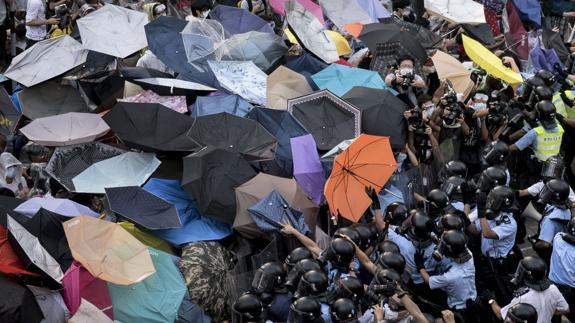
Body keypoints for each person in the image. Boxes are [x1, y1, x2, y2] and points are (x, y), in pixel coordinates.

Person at [415, 230, 479, 323]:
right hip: (474, 304)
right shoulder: (469, 255)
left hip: (458, 312)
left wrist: (420, 266)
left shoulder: (449, 276)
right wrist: (442, 242)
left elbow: (428, 281)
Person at [468, 185, 517, 304]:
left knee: (503, 295)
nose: (490, 202)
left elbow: (487, 233)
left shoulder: (510, 223)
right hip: (485, 261)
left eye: (494, 200)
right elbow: (475, 230)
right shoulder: (489, 215)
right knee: (484, 292)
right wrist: (464, 220)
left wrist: (481, 213)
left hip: (499, 265)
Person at [489, 256, 569, 323]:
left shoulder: (522, 298)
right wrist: (547, 312)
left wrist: (492, 301)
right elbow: (565, 309)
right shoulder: (553, 289)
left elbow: (500, 315)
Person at [531, 179, 572, 262]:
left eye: (548, 192)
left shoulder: (550, 220)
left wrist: (535, 244)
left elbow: (545, 244)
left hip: (551, 252)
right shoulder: (566, 208)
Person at [549, 217, 575, 322]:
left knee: (554, 317)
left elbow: (565, 233)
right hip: (572, 292)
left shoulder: (558, 238)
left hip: (553, 287)